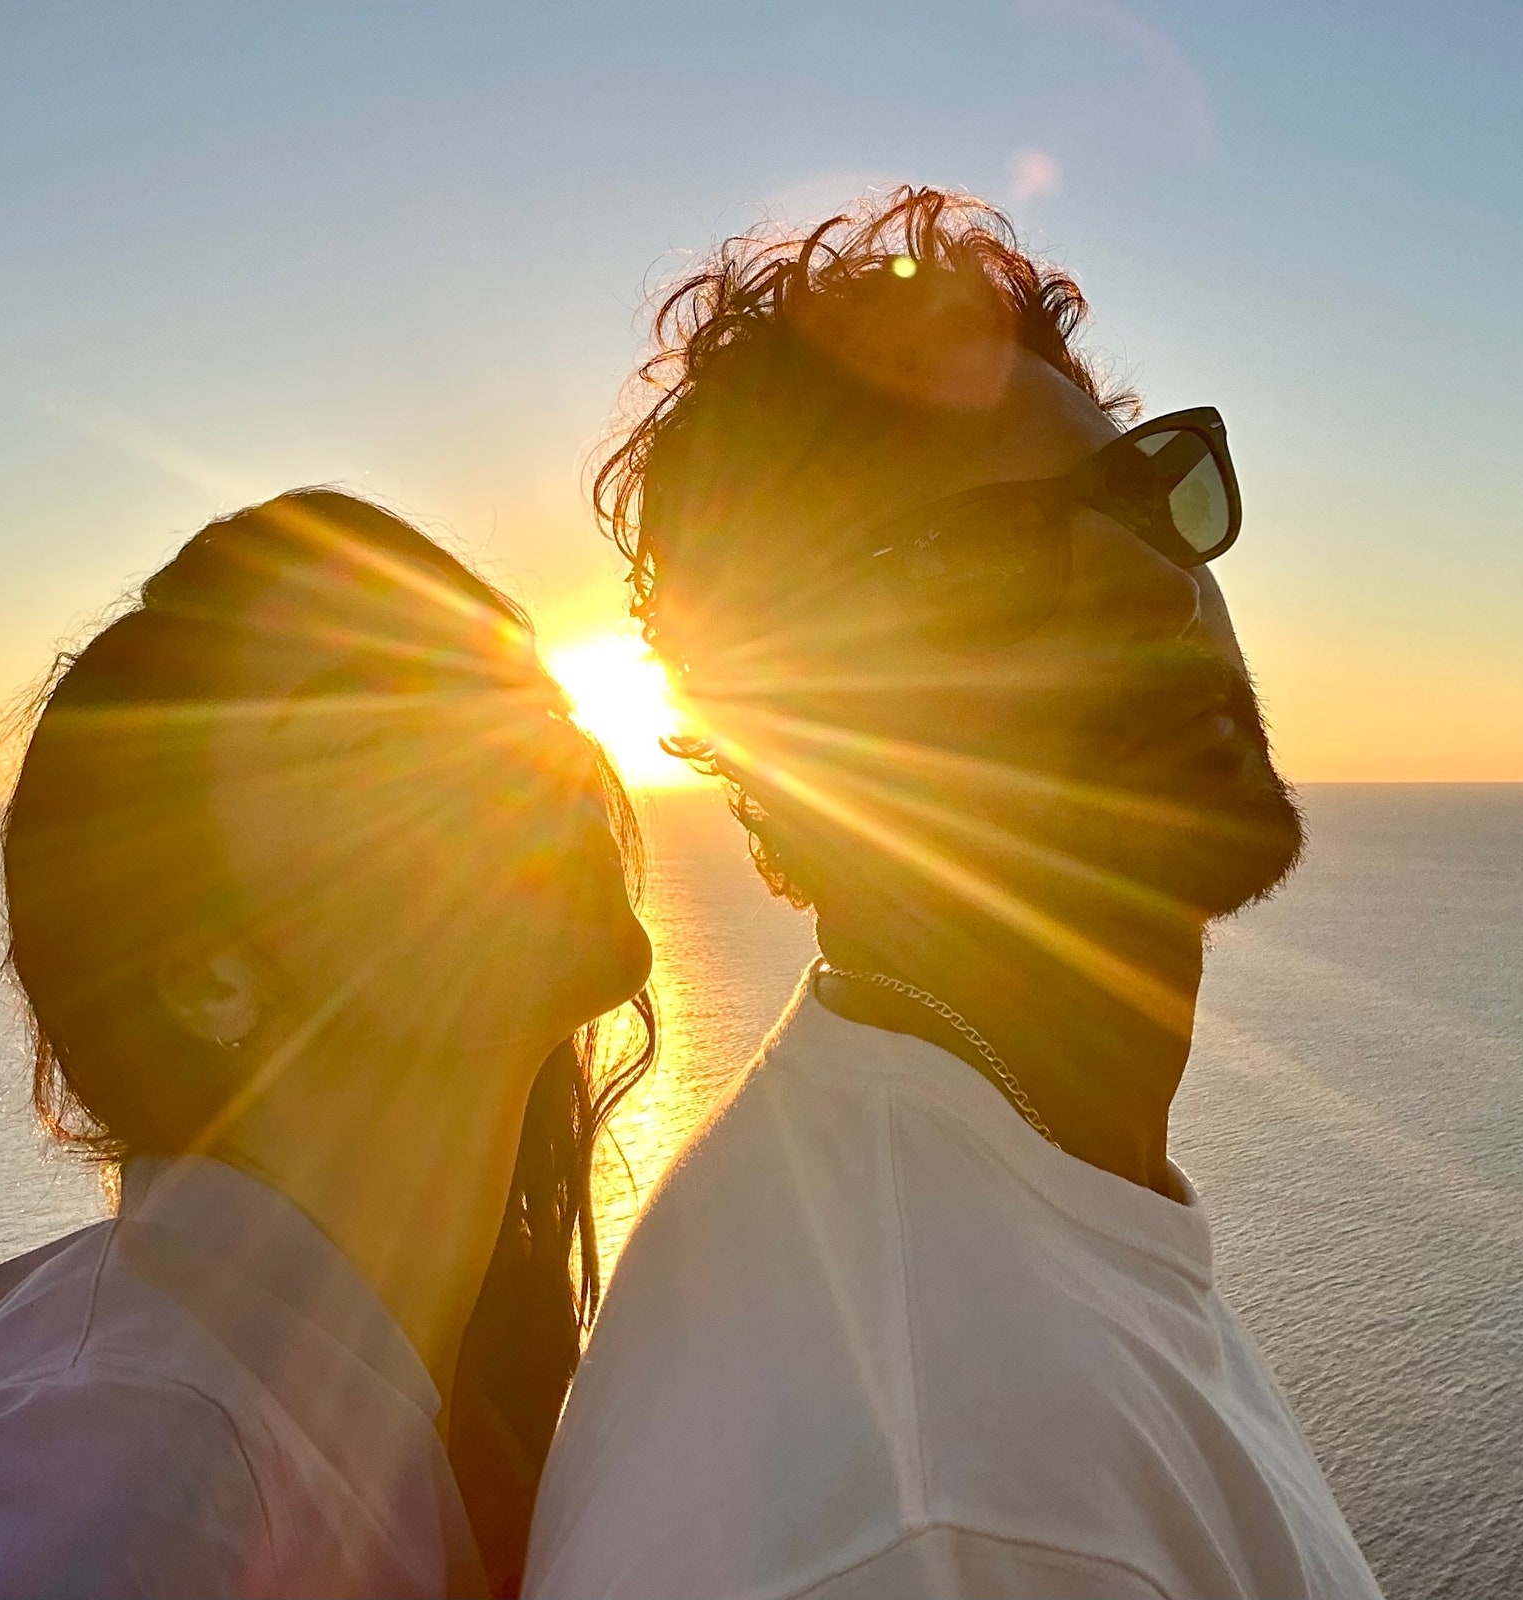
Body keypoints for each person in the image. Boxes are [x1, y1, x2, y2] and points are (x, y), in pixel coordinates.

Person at [523, 189, 1383, 1599]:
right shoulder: (949, 1509)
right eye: (984, 561)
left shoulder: (992, 1174)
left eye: (1142, 493)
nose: (1159, 594)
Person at [0, 489, 654, 1599]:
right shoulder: (134, 1469)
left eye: (525, 702)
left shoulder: (362, 1406)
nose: (538, 758)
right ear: (210, 976)